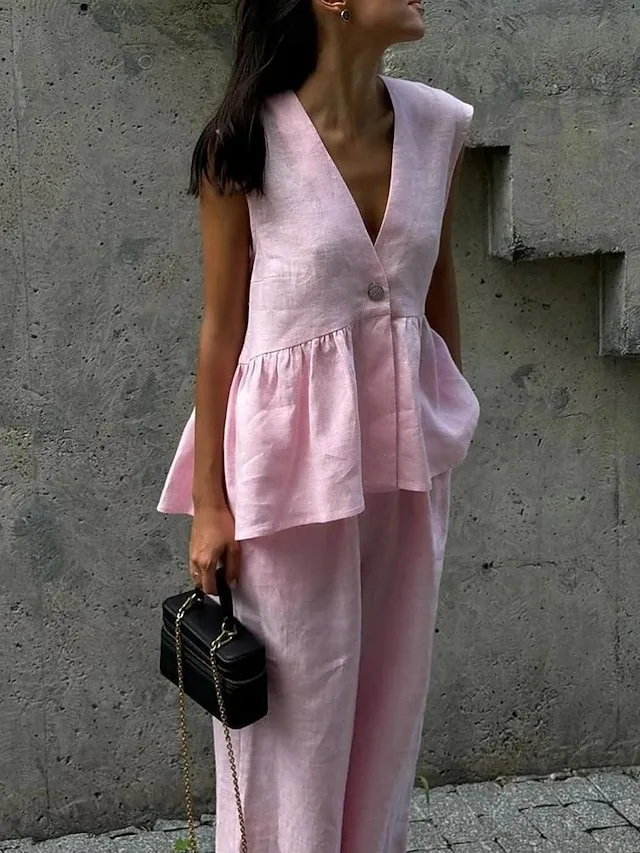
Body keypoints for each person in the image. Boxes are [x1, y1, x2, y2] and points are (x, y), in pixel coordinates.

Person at [157, 0, 480, 849]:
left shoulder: (438, 128)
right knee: (291, 726)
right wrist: (210, 504)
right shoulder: (243, 143)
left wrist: (448, 419)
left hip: (404, 475)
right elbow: (221, 333)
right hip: (285, 479)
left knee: (387, 713)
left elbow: (436, 290)